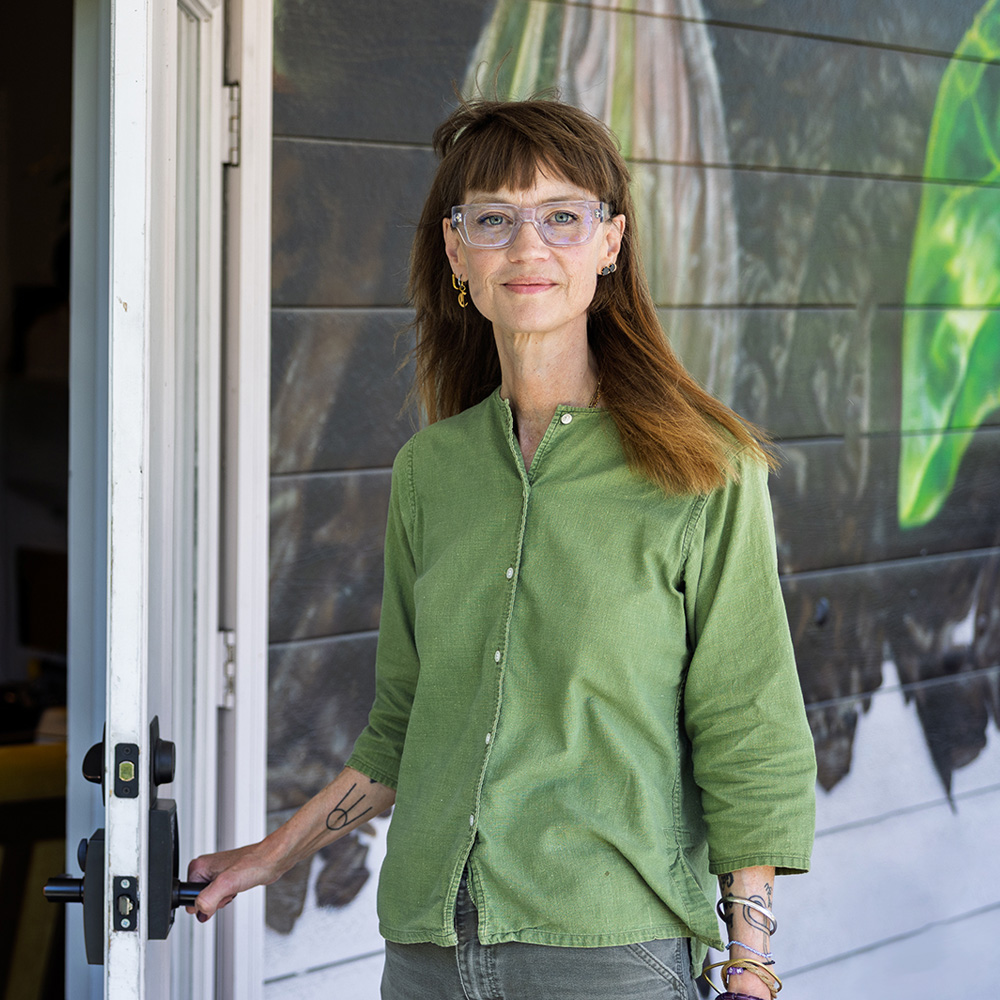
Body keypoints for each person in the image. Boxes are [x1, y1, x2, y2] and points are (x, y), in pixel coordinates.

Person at [189, 99, 816, 1000]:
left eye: (562, 217)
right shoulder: (429, 472)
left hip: (609, 955)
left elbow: (748, 723)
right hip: (427, 954)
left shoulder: (704, 468)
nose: (528, 247)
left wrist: (750, 962)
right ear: (457, 253)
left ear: (610, 244)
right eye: (494, 219)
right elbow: (402, 725)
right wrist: (271, 855)